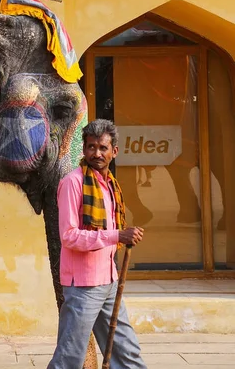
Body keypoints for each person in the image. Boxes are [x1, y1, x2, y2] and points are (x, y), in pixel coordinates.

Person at [47, 119, 146, 369]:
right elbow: (69, 236)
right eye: (91, 147)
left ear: (115, 151)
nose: (96, 153)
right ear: (84, 149)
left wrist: (123, 236)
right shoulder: (73, 183)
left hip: (109, 279)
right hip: (82, 285)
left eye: (103, 148)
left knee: (127, 352)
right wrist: (116, 235)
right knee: (69, 357)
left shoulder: (110, 184)